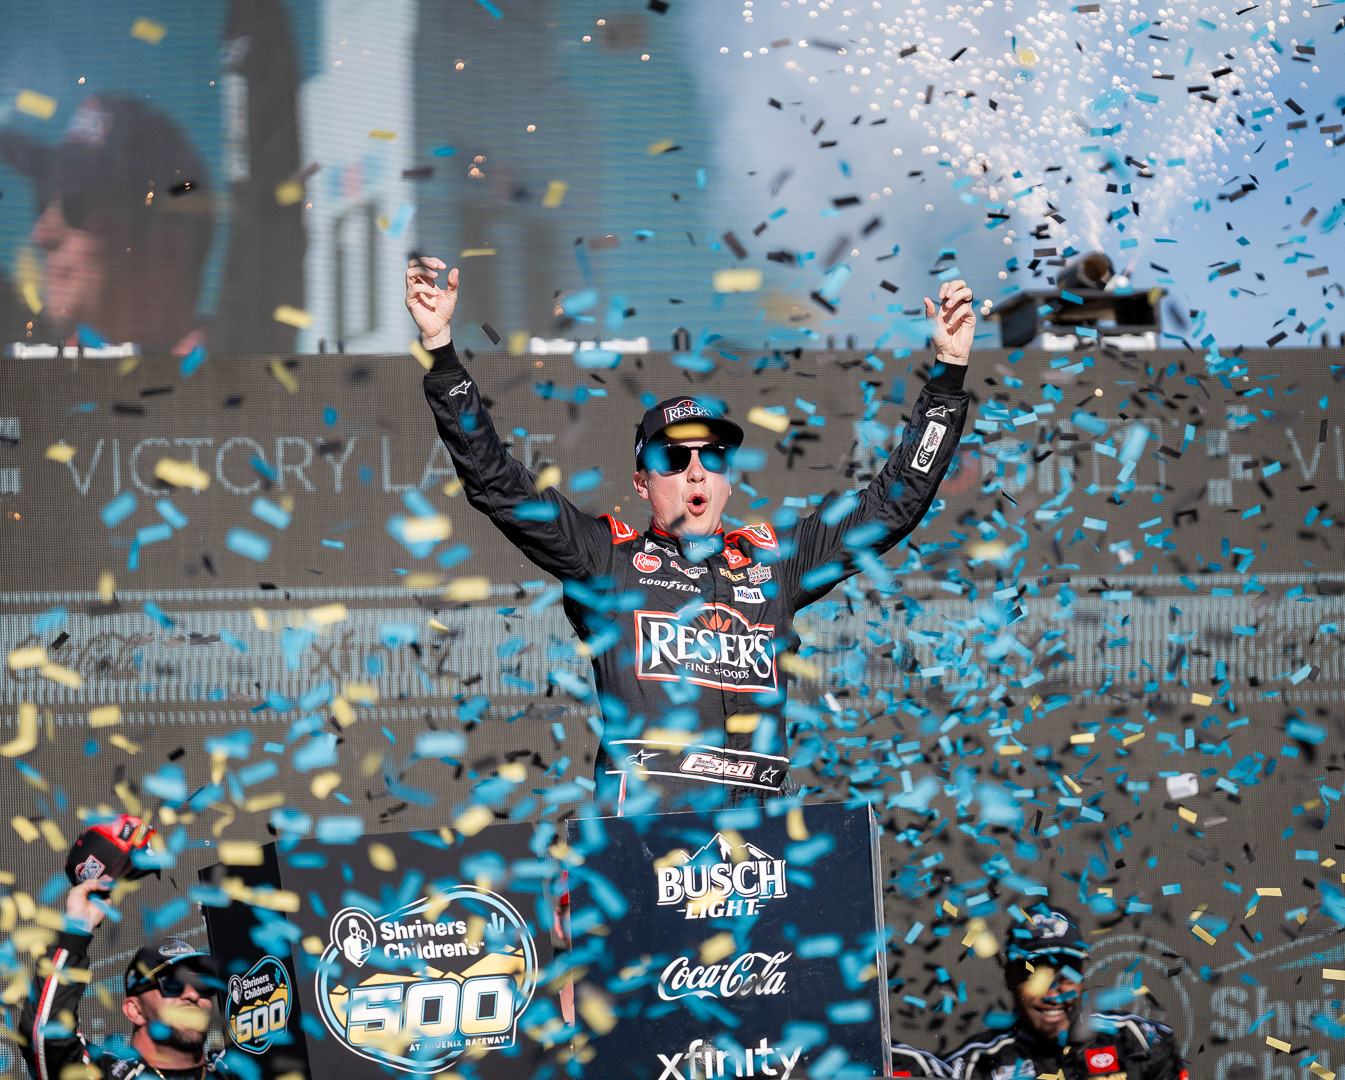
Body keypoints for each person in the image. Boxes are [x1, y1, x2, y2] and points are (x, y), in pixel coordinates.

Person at [411, 256, 973, 813]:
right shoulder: (606, 559)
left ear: (729, 480)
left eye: (713, 457)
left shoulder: (774, 562)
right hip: (644, 854)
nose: (696, 471)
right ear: (641, 481)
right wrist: (441, 355)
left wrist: (947, 377)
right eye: (674, 458)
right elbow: (500, 488)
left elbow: (891, 506)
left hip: (761, 855)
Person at [0, 96, 214, 354]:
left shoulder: (235, 381)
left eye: (75, 202)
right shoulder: (37, 377)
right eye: (43, 197)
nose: (40, 236)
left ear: (165, 251)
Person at [944, 907, 1188, 1080]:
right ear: (1009, 976)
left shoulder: (1140, 1041)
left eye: (1066, 973)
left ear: (1082, 973)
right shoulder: (972, 1067)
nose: (1053, 993)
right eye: (1036, 974)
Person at [20, 877, 226, 1080]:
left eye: (202, 985)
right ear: (135, 1011)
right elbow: (46, 1035)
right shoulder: (105, 1074)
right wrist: (75, 932)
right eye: (173, 985)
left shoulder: (236, 1070)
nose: (192, 994)